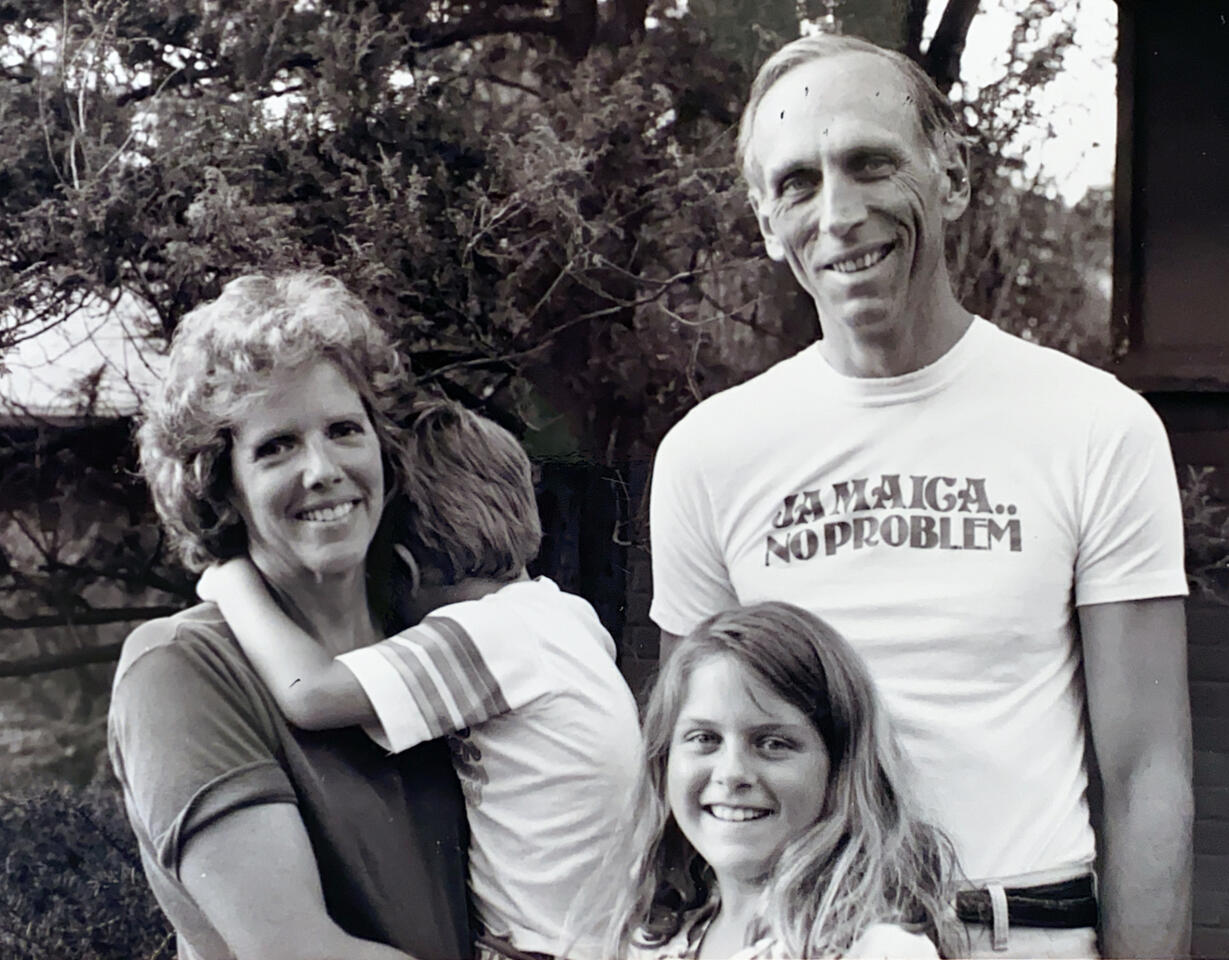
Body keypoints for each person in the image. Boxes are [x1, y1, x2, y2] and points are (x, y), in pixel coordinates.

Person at [648, 32, 1192, 959]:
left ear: (951, 178)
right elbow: (694, 757)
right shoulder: (709, 452)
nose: (838, 213)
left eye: (870, 164)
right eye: (798, 183)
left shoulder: (1094, 424)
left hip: (1025, 930)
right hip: (803, 939)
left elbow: (1146, 773)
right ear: (765, 222)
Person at [108, 273, 472, 960]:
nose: (322, 468)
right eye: (276, 446)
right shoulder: (180, 669)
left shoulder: (418, 644)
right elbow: (300, 951)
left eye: (344, 430)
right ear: (222, 485)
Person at [198, 399, 643, 960]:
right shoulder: (563, 614)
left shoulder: (483, 637)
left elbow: (308, 693)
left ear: (405, 570)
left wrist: (232, 580)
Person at [602, 602, 959, 959]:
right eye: (705, 738)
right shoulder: (656, 938)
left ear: (840, 767)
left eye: (772, 743)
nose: (731, 773)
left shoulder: (876, 949)